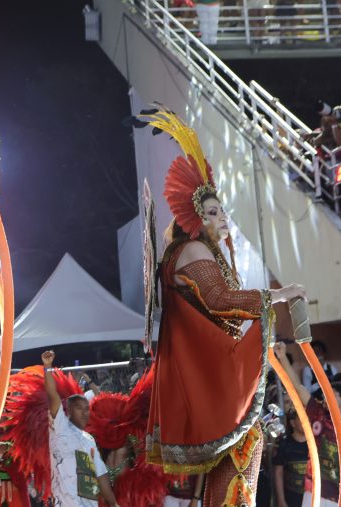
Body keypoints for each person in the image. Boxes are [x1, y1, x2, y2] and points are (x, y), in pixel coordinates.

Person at [137, 108, 306, 506]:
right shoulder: (193, 247)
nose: (222, 218)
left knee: (246, 441)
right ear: (195, 218)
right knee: (246, 439)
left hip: (207, 370)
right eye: (212, 212)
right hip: (210, 373)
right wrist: (276, 296)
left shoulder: (195, 250)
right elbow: (219, 300)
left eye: (220, 210)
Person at [42, 351, 121, 507]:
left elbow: (101, 475)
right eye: (79, 408)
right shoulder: (60, 427)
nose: (85, 413)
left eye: (86, 409)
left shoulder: (89, 439)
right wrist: (47, 367)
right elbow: (52, 395)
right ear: (69, 411)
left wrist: (113, 503)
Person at [273, 342, 341, 507]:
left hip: (339, 496)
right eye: (326, 395)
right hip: (314, 492)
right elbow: (298, 387)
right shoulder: (318, 413)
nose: (326, 399)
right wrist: (283, 357)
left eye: (332, 395)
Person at [272, 404, 310, 507]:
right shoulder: (283, 443)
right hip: (291, 496)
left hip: (310, 496)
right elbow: (278, 472)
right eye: (302, 419)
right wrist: (281, 500)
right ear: (293, 423)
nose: (307, 422)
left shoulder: (316, 444)